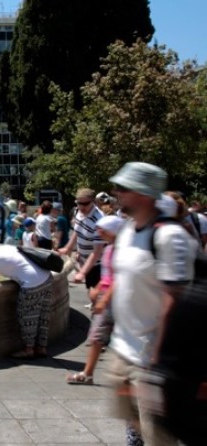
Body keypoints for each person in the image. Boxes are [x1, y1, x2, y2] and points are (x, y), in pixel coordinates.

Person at [106, 162, 197, 445]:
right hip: (122, 351)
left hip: (150, 358)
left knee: (158, 437)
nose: (116, 193)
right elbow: (123, 278)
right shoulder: (128, 231)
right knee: (133, 424)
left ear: (143, 194)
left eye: (123, 188)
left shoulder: (170, 237)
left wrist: (158, 361)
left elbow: (175, 297)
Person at [0, 234, 53, 359]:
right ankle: (41, 348)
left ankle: (29, 350)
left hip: (32, 285)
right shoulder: (6, 248)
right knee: (43, 314)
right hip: (47, 279)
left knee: (27, 317)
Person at [66, 215, 124, 385]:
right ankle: (88, 373)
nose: (98, 232)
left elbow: (120, 277)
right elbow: (108, 275)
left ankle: (89, 373)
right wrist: (98, 289)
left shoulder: (121, 251)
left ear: (112, 231)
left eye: (102, 229)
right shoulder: (109, 248)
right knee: (97, 336)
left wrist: (103, 299)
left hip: (115, 300)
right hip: (108, 297)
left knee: (99, 336)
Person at [57, 188, 105, 294]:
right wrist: (68, 248)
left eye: (86, 203)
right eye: (79, 203)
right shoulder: (78, 212)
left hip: (97, 264)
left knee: (96, 295)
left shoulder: (99, 221)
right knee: (91, 291)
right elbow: (77, 231)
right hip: (84, 260)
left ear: (94, 202)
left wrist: (82, 272)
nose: (82, 207)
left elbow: (96, 252)